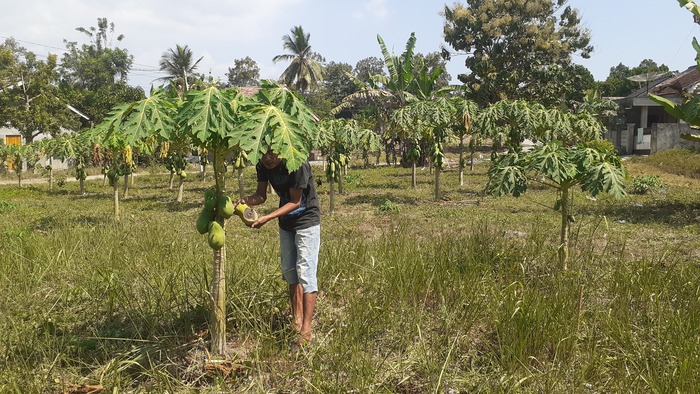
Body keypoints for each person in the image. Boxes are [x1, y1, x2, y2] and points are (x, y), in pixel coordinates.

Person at [236, 148, 321, 346]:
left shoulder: (297, 163)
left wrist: (267, 217)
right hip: (286, 223)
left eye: (272, 153)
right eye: (263, 154)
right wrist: (243, 203)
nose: (267, 158)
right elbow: (260, 195)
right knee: (291, 272)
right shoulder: (262, 164)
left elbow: (295, 201)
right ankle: (296, 319)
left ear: (281, 150)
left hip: (307, 221)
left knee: (306, 273)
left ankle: (307, 330)